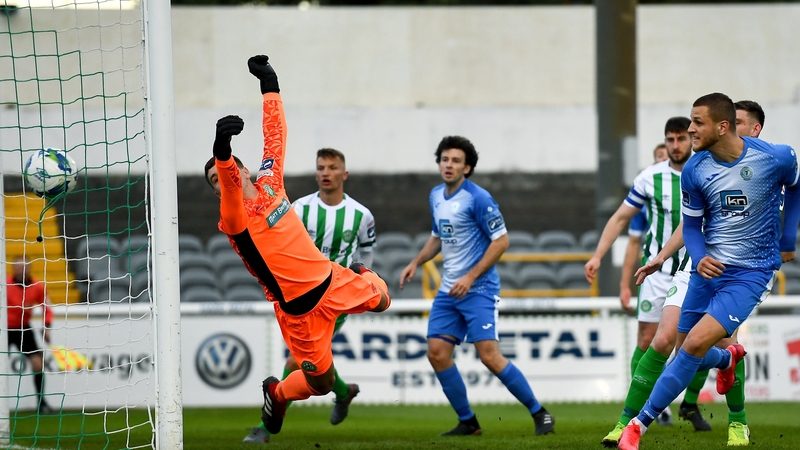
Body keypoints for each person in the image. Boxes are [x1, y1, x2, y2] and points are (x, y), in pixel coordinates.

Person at [204, 54, 390, 436]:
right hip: (300, 312)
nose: (222, 180)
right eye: (215, 181)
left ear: (247, 170)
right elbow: (227, 181)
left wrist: (268, 83)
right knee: (319, 385)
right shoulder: (234, 220)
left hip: (335, 280)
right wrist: (221, 152)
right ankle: (278, 394)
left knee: (385, 300)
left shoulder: (270, 184)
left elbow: (275, 135)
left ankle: (365, 275)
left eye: (225, 171)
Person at [618, 93, 800, 450]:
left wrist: (788, 239)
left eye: (697, 122)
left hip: (750, 272)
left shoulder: (776, 157)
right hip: (705, 269)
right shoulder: (696, 169)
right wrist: (698, 258)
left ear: (722, 126)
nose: (689, 129)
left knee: (695, 344)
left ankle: (637, 425)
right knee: (687, 350)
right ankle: (727, 358)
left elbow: (795, 186)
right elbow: (690, 226)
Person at [398, 136, 554, 437]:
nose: (449, 165)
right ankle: (468, 421)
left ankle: (540, 412)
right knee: (437, 352)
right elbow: (437, 237)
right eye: (445, 159)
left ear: (467, 168)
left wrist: (470, 276)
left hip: (478, 289)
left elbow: (502, 241)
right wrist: (416, 261)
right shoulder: (436, 196)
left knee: (489, 356)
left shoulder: (478, 198)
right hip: (448, 291)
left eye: (456, 161)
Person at [586, 117, 717, 447]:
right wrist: (598, 256)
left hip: (698, 269)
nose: (675, 146)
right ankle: (638, 413)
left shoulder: (706, 170)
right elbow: (620, 218)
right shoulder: (650, 177)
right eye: (669, 140)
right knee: (651, 340)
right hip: (658, 271)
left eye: (680, 139)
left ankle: (688, 404)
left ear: (690, 140)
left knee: (697, 342)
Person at [242, 148, 376, 443]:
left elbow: (366, 256)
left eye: (331, 167)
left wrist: (361, 285)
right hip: (302, 296)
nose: (325, 172)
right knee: (316, 365)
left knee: (296, 363)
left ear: (344, 174)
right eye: (320, 167)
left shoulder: (362, 215)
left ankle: (266, 427)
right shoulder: (298, 208)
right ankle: (344, 391)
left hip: (337, 295)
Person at [619, 144, 669, 313]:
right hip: (654, 273)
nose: (664, 160)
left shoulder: (691, 193)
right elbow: (633, 243)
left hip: (685, 270)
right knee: (648, 334)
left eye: (668, 156)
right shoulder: (643, 204)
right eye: (660, 156)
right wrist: (624, 285)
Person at [6, 256, 55, 414]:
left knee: (37, 364)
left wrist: (46, 326)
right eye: (19, 267)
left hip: (23, 329)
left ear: (29, 269)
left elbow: (46, 307)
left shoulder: (38, 287)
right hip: (4, 330)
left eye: (25, 267)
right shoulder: (4, 284)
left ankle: (42, 403)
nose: (22, 270)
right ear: (13, 269)